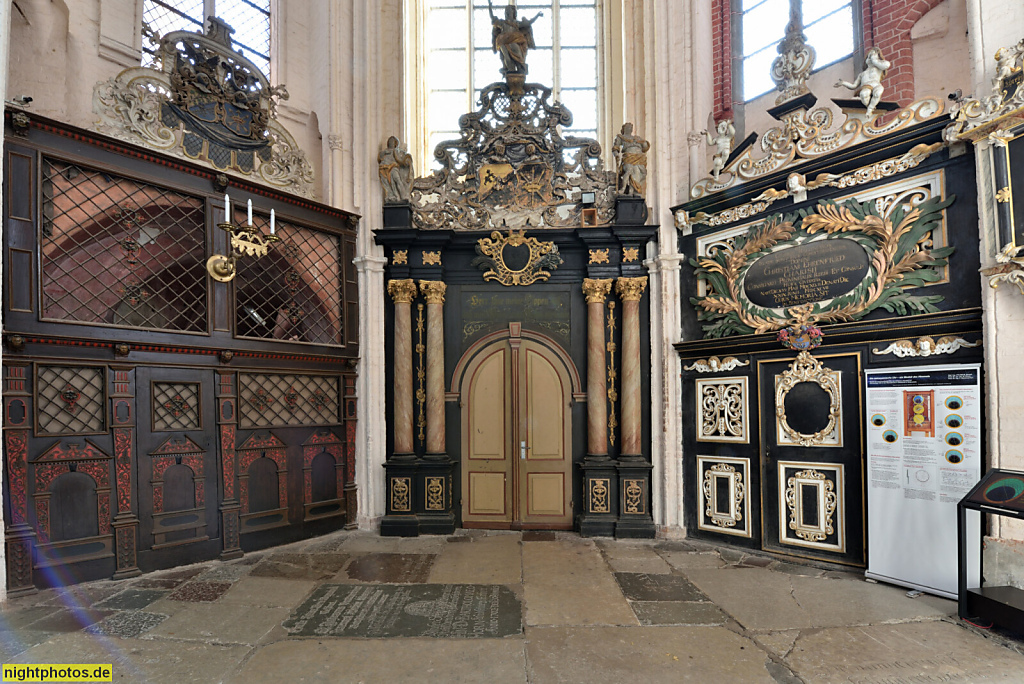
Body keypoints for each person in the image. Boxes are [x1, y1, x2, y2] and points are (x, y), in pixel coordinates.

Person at [834, 47, 890, 119]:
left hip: (877, 85)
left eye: (873, 55)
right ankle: (869, 107)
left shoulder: (879, 68)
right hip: (867, 86)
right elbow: (853, 86)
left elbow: (886, 65)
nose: (871, 58)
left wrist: (874, 59)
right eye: (869, 57)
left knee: (878, 93)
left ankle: (870, 109)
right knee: (863, 95)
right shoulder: (862, 74)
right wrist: (843, 83)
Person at [487, 1, 541, 75]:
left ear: (513, 13)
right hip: (503, 41)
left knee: (518, 55)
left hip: (515, 40)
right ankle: (509, 69)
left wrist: (537, 16)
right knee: (506, 56)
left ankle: (520, 68)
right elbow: (493, 18)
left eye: (509, 11)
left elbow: (528, 23)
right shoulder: (502, 23)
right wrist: (490, 7)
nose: (507, 13)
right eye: (506, 12)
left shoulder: (516, 23)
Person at [612, 123, 650, 196]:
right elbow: (615, 148)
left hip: (639, 158)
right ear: (624, 129)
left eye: (631, 127)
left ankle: (632, 191)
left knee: (637, 173)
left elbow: (645, 147)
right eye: (627, 126)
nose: (630, 128)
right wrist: (616, 155)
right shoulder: (620, 137)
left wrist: (642, 141)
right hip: (628, 157)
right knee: (629, 171)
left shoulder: (637, 138)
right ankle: (623, 189)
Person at [378, 136, 412, 202]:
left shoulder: (397, 151)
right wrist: (384, 153)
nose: (391, 143)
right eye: (390, 141)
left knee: (397, 180)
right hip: (384, 169)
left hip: (393, 168)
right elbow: (380, 157)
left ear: (396, 143)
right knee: (388, 184)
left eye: (393, 141)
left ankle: (403, 195)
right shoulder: (385, 151)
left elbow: (402, 159)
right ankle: (392, 195)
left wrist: (406, 160)